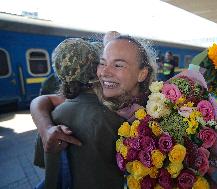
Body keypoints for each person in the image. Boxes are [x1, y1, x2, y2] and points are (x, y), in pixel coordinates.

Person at [31, 35, 156, 188]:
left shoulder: (54, 114)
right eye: (102, 63)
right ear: (94, 71)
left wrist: (46, 128)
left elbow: (43, 162)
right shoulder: (117, 122)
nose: (105, 71)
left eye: (118, 65)